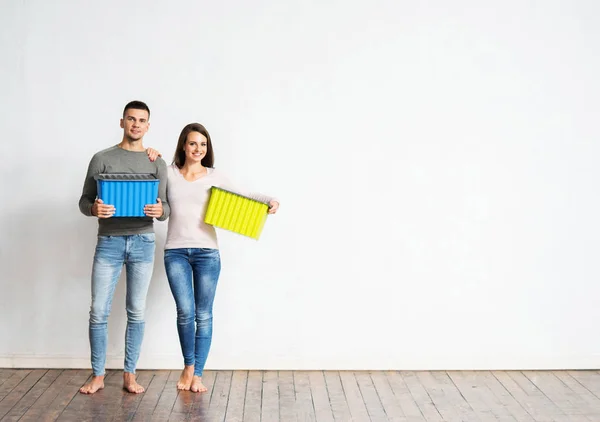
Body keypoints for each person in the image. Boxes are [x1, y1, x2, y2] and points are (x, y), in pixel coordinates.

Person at [147, 123, 278, 392]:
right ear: (183, 145)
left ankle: (198, 375)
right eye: (193, 143)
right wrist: (149, 153)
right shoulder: (169, 173)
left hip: (207, 253)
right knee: (185, 312)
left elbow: (245, 194)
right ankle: (188, 367)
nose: (198, 149)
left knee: (203, 314)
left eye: (203, 145)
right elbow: (149, 177)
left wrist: (269, 200)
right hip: (175, 252)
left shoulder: (214, 176)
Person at [78, 100, 170, 394]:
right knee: (98, 312)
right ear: (122, 122)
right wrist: (94, 209)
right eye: (131, 119)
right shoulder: (101, 158)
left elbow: (165, 205)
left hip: (143, 242)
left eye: (141, 120)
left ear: (148, 126)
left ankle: (130, 375)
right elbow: (84, 201)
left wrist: (160, 212)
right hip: (109, 243)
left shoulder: (157, 162)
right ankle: (98, 375)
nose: (136, 125)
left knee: (137, 311)